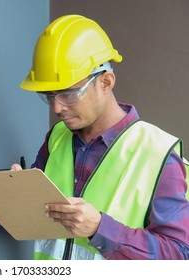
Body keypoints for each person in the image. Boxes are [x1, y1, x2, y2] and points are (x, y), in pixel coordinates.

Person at [12, 14, 189, 260]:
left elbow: (179, 257)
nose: (56, 108)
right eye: (49, 95)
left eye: (69, 94)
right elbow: (37, 222)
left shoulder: (158, 154)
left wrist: (99, 228)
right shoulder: (57, 138)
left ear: (105, 82)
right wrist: (17, 196)